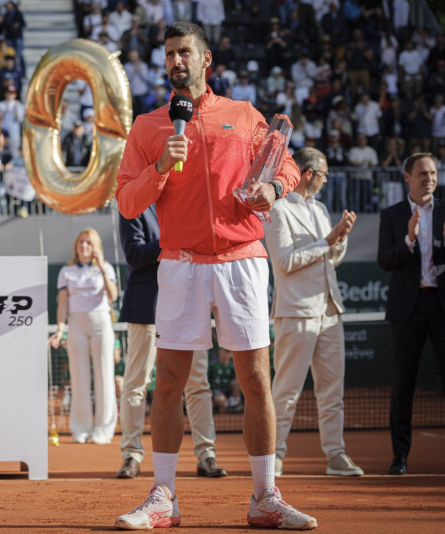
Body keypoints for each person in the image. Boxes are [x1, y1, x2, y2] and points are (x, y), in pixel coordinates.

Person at [113, 21, 315, 530]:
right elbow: (128, 201)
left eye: (184, 52)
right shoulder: (148, 127)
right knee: (168, 382)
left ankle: (265, 496)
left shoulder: (243, 115)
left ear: (206, 60)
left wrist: (274, 190)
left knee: (255, 380)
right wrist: (160, 167)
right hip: (179, 263)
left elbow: (286, 165)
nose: (175, 61)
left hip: (242, 259)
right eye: (168, 53)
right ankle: (163, 497)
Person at [263, 147, 363, 478]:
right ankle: (274, 455)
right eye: (323, 175)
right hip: (296, 311)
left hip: (329, 310)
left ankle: (335, 454)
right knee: (286, 391)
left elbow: (330, 259)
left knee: (332, 392)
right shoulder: (278, 208)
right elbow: (284, 262)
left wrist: (339, 239)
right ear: (308, 174)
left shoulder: (320, 209)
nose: (325, 180)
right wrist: (326, 241)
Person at [116, 205, 227, 480]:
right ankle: (131, 454)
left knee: (198, 383)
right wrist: (174, 240)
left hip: (189, 305)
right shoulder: (134, 206)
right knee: (136, 383)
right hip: (147, 308)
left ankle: (206, 454)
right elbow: (134, 254)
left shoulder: (188, 201)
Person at [377, 152, 445, 476]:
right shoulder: (391, 215)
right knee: (403, 385)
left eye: (433, 173)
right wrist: (409, 239)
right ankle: (399, 457)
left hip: (442, 307)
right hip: (408, 309)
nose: (429, 179)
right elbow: (385, 261)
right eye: (422, 174)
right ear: (407, 177)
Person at [48, 228, 118, 445]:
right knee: (78, 378)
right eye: (81, 242)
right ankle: (80, 427)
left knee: (105, 375)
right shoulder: (66, 271)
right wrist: (60, 329)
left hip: (101, 323)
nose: (84, 246)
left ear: (95, 247)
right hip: (76, 325)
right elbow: (62, 303)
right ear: (76, 247)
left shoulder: (106, 268)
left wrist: (102, 267)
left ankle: (104, 430)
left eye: (88, 242)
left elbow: (113, 296)